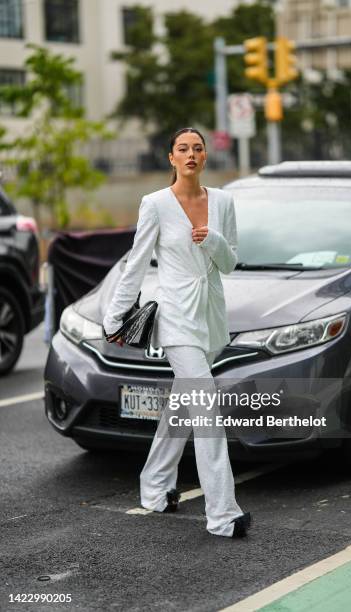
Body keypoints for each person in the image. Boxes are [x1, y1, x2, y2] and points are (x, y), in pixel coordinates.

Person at [103, 127, 251, 538]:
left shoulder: (222, 201)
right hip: (177, 321)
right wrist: (115, 319)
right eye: (183, 149)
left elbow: (230, 262)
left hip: (212, 320)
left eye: (198, 149)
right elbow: (135, 264)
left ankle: (154, 488)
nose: (191, 155)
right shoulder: (154, 204)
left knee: (184, 403)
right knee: (206, 412)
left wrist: (215, 240)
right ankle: (223, 514)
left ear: (205, 157)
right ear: (171, 157)